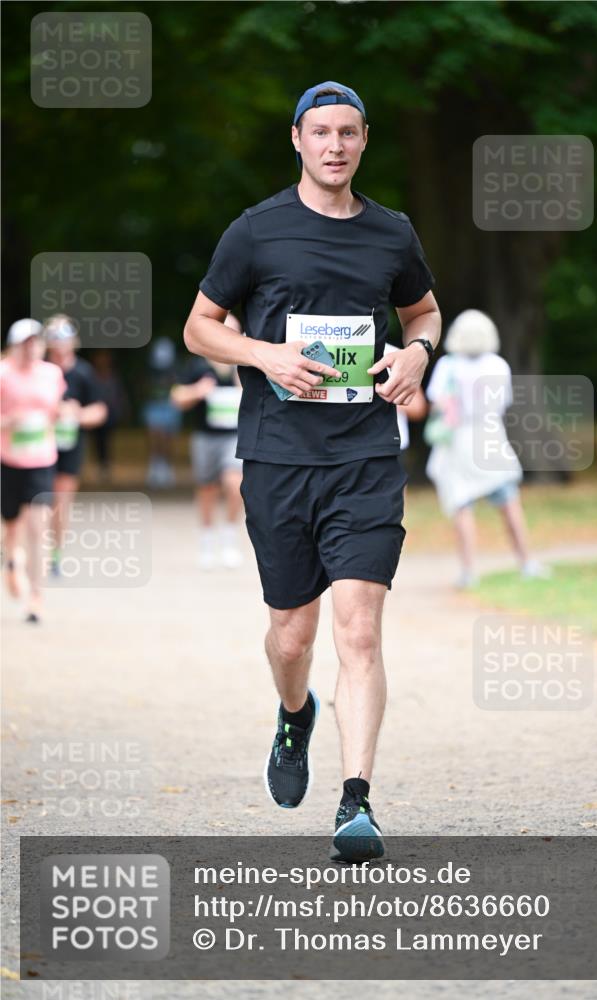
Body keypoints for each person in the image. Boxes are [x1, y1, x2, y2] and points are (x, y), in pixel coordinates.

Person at [184, 81, 440, 861]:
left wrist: (417, 356)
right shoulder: (255, 232)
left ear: (365, 141)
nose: (335, 146)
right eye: (320, 132)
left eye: (349, 133)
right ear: (296, 139)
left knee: (358, 630)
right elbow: (200, 328)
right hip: (278, 457)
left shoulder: (392, 234)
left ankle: (355, 802)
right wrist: (265, 355)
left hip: (365, 456)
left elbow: (422, 312)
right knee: (292, 639)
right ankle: (294, 714)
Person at [426, 309, 548, 588]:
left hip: (458, 441)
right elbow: (502, 404)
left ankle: (469, 571)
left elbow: (438, 403)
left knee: (462, 505)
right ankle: (527, 562)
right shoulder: (497, 365)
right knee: (509, 503)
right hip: (490, 437)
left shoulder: (448, 366)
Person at [0, 319, 65, 621]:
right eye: (25, 343)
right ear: (14, 345)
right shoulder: (3, 373)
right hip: (9, 460)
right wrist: (9, 422)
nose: (31, 348)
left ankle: (36, 596)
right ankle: (11, 562)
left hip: (42, 459)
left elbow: (54, 411)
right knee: (11, 526)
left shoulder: (52, 374)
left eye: (36, 342)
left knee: (37, 527)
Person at [170, 313, 244, 570]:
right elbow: (177, 398)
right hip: (205, 437)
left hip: (235, 437)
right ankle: (207, 539)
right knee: (207, 489)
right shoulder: (197, 366)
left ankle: (230, 537)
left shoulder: (243, 366)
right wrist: (197, 391)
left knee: (235, 484)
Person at [44, 315, 108, 575]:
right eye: (55, 337)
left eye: (65, 336)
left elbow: (100, 411)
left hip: (70, 445)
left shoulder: (83, 373)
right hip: (37, 444)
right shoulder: (39, 370)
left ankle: (54, 556)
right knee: (32, 501)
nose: (61, 343)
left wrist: (76, 415)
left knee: (61, 502)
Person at [142, 337, 181, 489]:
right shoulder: (149, 369)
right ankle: (154, 465)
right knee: (154, 435)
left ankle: (166, 467)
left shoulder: (176, 369)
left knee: (167, 438)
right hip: (154, 406)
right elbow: (144, 388)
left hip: (170, 406)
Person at [89, 349, 128, 483]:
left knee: (107, 440)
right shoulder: (92, 376)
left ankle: (106, 465)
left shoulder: (113, 376)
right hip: (95, 414)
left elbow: (119, 395)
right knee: (98, 441)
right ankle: (102, 465)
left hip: (110, 415)